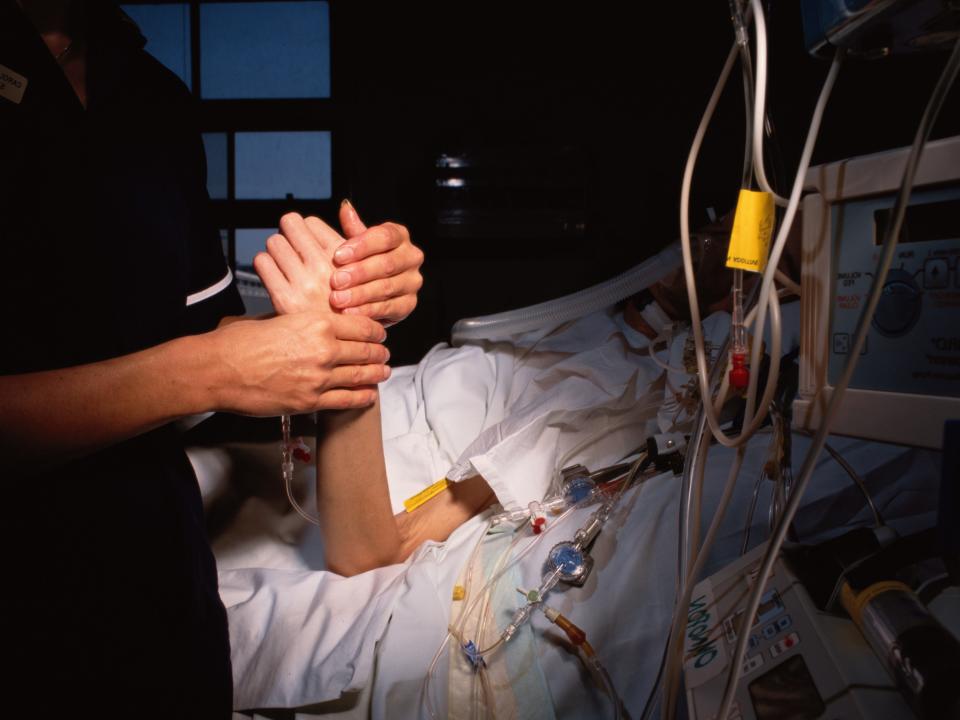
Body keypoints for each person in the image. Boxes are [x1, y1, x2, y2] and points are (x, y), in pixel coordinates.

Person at [0, 1, 422, 716]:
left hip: (165, 608)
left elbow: (195, 327)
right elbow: (203, 362)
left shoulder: (150, 93)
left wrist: (340, 307)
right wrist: (214, 368)